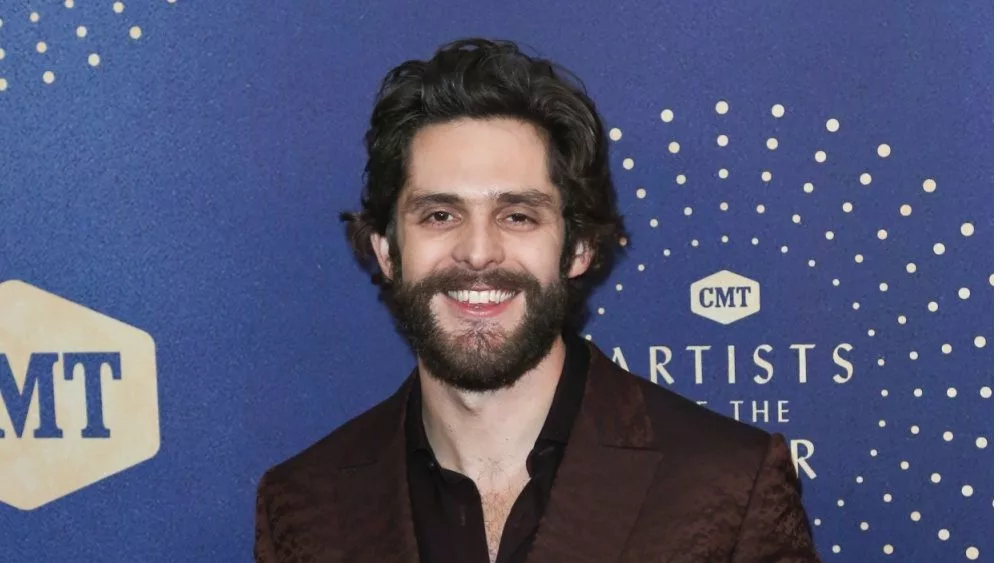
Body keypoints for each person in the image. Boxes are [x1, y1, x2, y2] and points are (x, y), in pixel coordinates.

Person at [254, 38, 819, 563]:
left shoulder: (726, 485)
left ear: (577, 248)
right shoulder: (304, 506)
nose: (477, 252)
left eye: (518, 216)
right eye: (440, 215)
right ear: (386, 251)